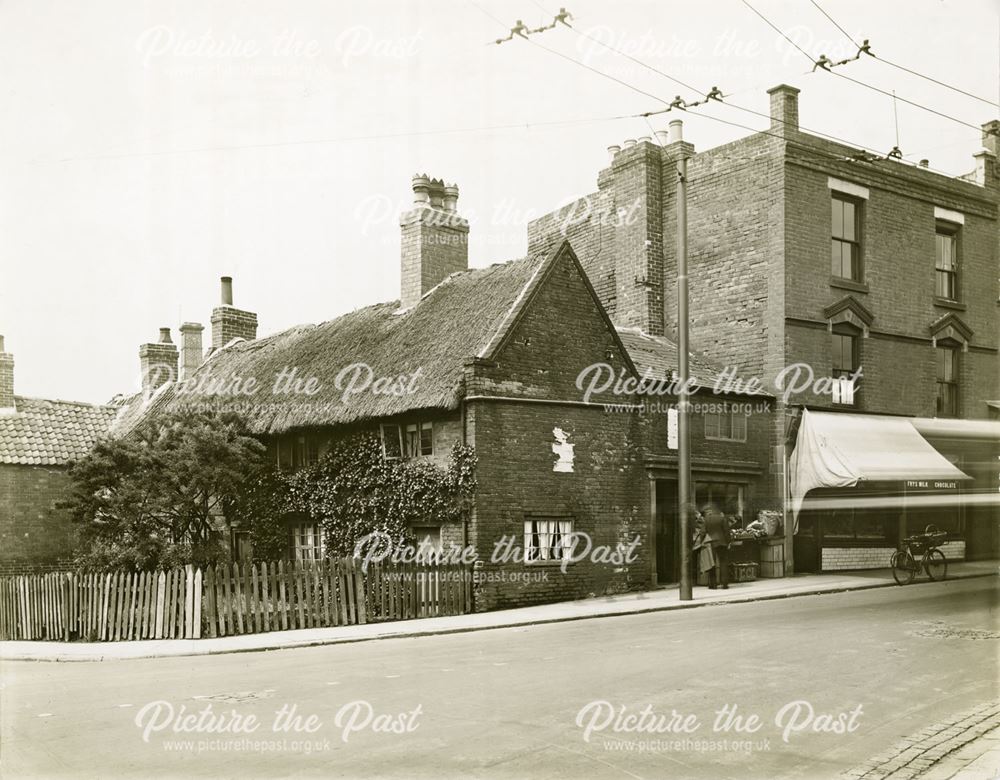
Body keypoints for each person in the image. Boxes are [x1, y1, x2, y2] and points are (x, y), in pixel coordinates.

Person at [703, 503, 731, 589]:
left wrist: (702, 542)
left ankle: (713, 584)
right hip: (722, 542)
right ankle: (724, 584)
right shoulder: (722, 518)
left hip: (711, 543)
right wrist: (728, 542)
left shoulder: (706, 519)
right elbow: (727, 531)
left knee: (712, 563)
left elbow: (702, 532)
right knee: (723, 562)